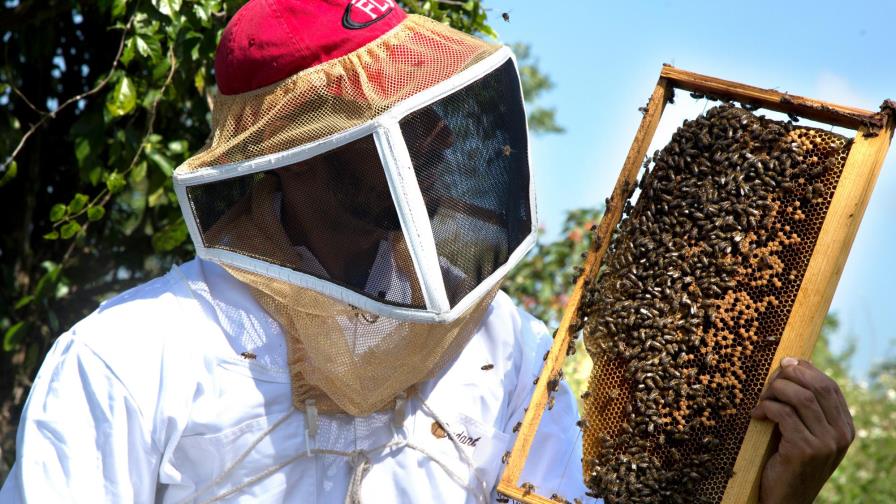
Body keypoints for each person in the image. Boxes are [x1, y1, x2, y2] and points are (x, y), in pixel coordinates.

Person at [0, 1, 854, 503]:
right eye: (400, 117)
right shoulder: (128, 359)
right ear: (295, 147)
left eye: (434, 104)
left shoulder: (501, 345)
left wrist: (769, 497)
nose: (441, 134)